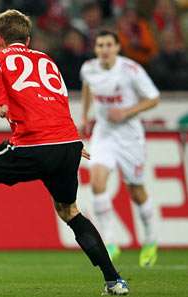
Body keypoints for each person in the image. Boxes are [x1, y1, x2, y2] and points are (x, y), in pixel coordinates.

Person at [0, 10, 129, 295]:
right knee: (69, 210)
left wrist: (0, 103)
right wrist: (71, 141)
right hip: (67, 144)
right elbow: (59, 99)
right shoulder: (47, 61)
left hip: (32, 144)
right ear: (27, 39)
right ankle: (114, 280)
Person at [80, 30, 160, 266]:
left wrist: (125, 111)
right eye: (100, 45)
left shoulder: (130, 70)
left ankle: (151, 240)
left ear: (117, 47)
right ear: (96, 49)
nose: (104, 49)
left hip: (130, 136)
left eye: (108, 45)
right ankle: (110, 241)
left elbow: (153, 98)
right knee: (97, 181)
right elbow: (87, 88)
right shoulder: (89, 68)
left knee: (136, 190)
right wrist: (85, 116)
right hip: (104, 133)